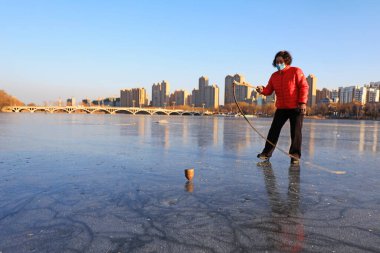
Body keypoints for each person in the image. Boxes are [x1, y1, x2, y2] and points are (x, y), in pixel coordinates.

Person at [256, 50, 308, 164]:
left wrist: (302, 102)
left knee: (296, 132)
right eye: (277, 61)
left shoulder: (296, 71)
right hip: (282, 108)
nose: (278, 63)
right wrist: (262, 90)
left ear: (286, 61)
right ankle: (266, 153)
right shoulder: (274, 76)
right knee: (273, 130)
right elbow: (268, 90)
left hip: (296, 107)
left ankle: (295, 156)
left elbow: (304, 87)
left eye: (281, 61)